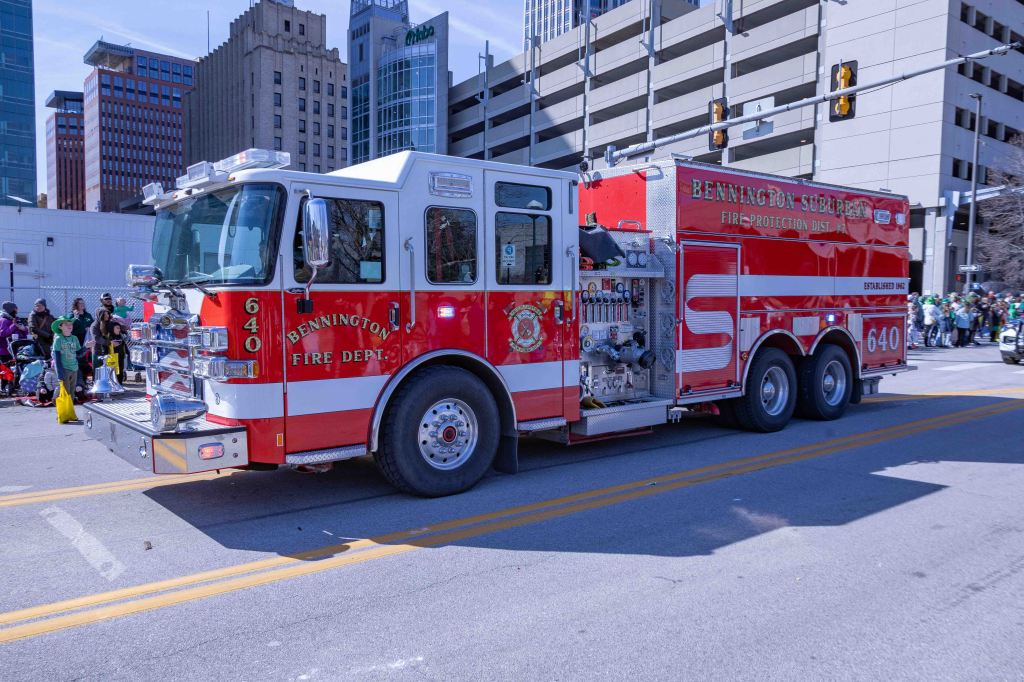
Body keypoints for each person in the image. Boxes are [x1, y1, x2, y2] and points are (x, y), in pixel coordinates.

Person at [50, 316, 82, 402]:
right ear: (60, 327)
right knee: (65, 391)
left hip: (74, 368)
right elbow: (57, 358)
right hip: (64, 369)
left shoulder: (74, 338)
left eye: (70, 324)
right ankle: (60, 406)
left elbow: (79, 353)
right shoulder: (58, 339)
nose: (69, 325)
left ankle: (69, 411)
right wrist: (60, 372)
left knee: (72, 392)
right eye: (66, 324)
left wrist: (86, 347)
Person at [0, 301, 28, 393]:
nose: (17, 311)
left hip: (17, 348)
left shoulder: (16, 319)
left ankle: (14, 386)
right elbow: (3, 333)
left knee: (15, 369)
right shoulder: (3, 320)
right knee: (6, 369)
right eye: (15, 309)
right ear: (10, 309)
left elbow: (25, 331)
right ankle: (4, 387)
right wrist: (13, 325)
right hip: (5, 350)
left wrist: (23, 329)